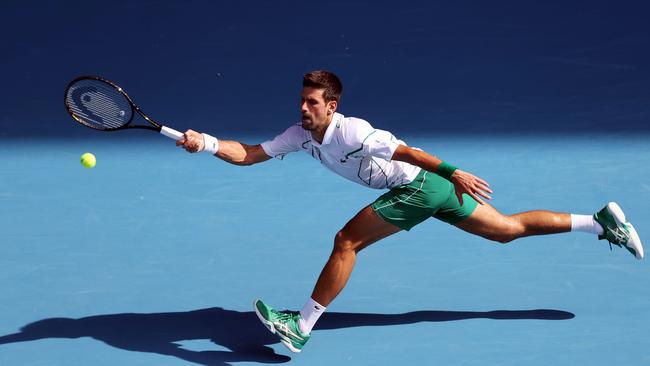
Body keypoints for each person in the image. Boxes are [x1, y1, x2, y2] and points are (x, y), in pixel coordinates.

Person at [176, 70, 644, 353]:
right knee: (505, 230)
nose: (302, 107)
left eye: (311, 102)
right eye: (301, 99)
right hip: (433, 190)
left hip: (423, 184)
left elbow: (409, 152)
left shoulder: (353, 132)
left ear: (331, 106)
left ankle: (301, 324)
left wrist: (455, 171)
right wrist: (208, 144)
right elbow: (252, 153)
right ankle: (598, 222)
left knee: (346, 242)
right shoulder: (299, 135)